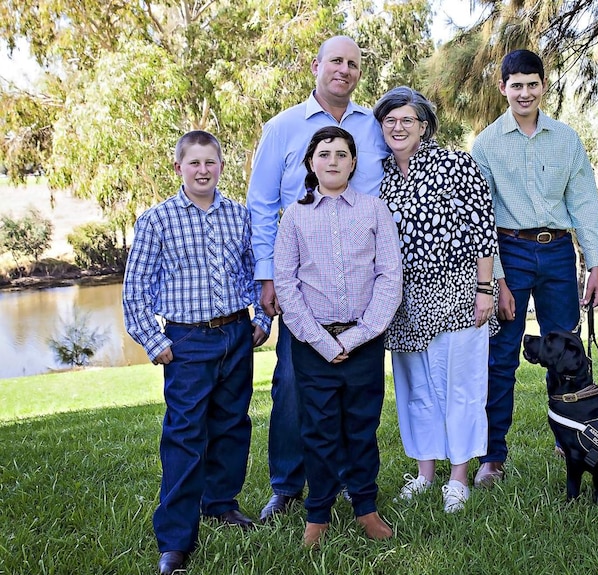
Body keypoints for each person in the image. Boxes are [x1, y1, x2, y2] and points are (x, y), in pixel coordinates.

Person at [246, 35, 389, 522]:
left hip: (364, 289)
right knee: (291, 385)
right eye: (336, 61)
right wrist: (266, 276)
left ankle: (352, 486)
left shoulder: (373, 127)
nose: (344, 70)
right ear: (316, 66)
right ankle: (287, 485)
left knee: (356, 392)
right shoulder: (282, 128)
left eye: (352, 64)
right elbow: (262, 205)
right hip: (304, 289)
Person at [122, 130, 270, 575]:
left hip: (235, 333)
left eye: (211, 162)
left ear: (221, 166)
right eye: (194, 163)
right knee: (185, 436)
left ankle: (221, 503)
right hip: (186, 341)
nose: (203, 170)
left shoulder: (237, 216)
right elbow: (135, 290)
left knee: (232, 424)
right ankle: (175, 540)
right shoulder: (157, 220)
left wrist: (260, 321)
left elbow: (252, 272)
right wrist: (156, 341)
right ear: (179, 168)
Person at [470, 49, 598, 487]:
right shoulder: (487, 144)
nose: (525, 92)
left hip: (558, 255)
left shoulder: (566, 139)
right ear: (503, 88)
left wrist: (596, 263)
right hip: (510, 251)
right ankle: (493, 457)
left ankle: (572, 434)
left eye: (533, 84)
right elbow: (481, 216)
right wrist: (498, 282)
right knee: (502, 357)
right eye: (516, 85)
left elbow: (584, 203)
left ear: (543, 86)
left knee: (568, 353)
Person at [273, 126, 402, 546]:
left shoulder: (374, 211)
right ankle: (318, 514)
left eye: (341, 154)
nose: (333, 160)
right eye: (324, 153)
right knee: (319, 431)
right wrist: (324, 342)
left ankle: (366, 507)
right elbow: (286, 286)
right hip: (312, 345)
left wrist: (360, 335)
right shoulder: (294, 216)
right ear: (312, 162)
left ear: (353, 162)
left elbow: (390, 278)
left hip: (363, 343)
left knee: (361, 429)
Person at [372, 86, 498, 513]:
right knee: (417, 390)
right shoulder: (382, 176)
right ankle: (426, 473)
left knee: (459, 388)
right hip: (404, 300)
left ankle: (459, 478)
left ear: (424, 126)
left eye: (407, 119)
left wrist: (485, 289)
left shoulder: (455, 162)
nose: (398, 126)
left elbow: (483, 226)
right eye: (390, 120)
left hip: (458, 289)